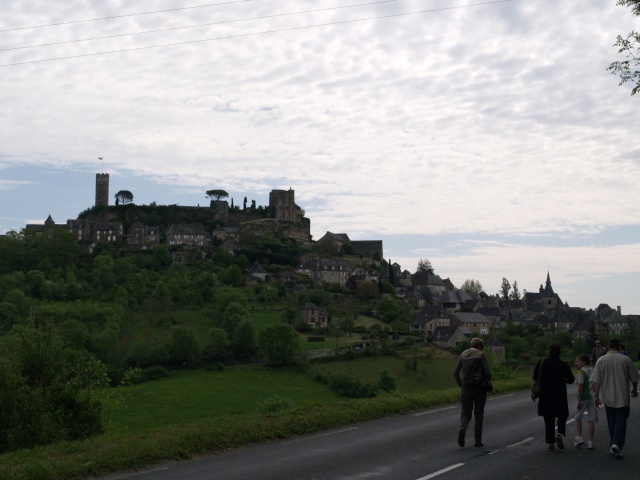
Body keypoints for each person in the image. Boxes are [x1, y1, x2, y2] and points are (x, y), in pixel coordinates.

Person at [590, 338, 639, 459]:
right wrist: (634, 388)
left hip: (608, 397)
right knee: (621, 421)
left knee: (612, 422)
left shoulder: (600, 361)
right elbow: (634, 377)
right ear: (619, 347)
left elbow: (596, 380)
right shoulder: (626, 359)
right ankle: (617, 443)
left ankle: (614, 443)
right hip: (622, 396)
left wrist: (596, 395)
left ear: (608, 346)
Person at [533, 344, 574, 451]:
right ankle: (560, 433)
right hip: (559, 394)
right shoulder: (563, 365)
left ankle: (550, 443)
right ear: (560, 352)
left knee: (548, 419)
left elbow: (535, 377)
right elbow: (571, 380)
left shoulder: (542, 363)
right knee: (562, 415)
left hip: (545, 395)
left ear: (549, 351)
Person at [454, 337, 491, 448]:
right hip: (479, 389)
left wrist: (461, 384)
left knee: (465, 412)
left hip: (466, 388)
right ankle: (477, 441)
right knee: (478, 414)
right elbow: (488, 373)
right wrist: (486, 381)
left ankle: (462, 429)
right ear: (479, 346)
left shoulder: (463, 354)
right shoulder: (481, 355)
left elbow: (455, 372)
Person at [573, 354, 597, 449]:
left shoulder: (580, 372)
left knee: (578, 417)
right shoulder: (592, 370)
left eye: (578, 361)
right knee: (591, 420)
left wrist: (579, 400)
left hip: (583, 398)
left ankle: (580, 437)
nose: (576, 363)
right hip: (592, 397)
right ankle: (590, 441)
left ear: (584, 362)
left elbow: (580, 387)